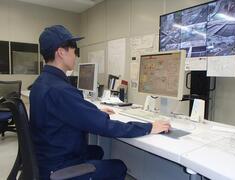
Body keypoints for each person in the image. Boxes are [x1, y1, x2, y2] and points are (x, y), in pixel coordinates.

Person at [29, 25, 171, 180]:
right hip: (59, 167)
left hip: (47, 158)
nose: (76, 55)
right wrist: (149, 127)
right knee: (119, 166)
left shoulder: (41, 83)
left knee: (97, 151)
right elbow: (104, 126)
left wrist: (95, 114)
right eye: (74, 49)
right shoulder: (60, 90)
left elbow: (73, 112)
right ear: (61, 52)